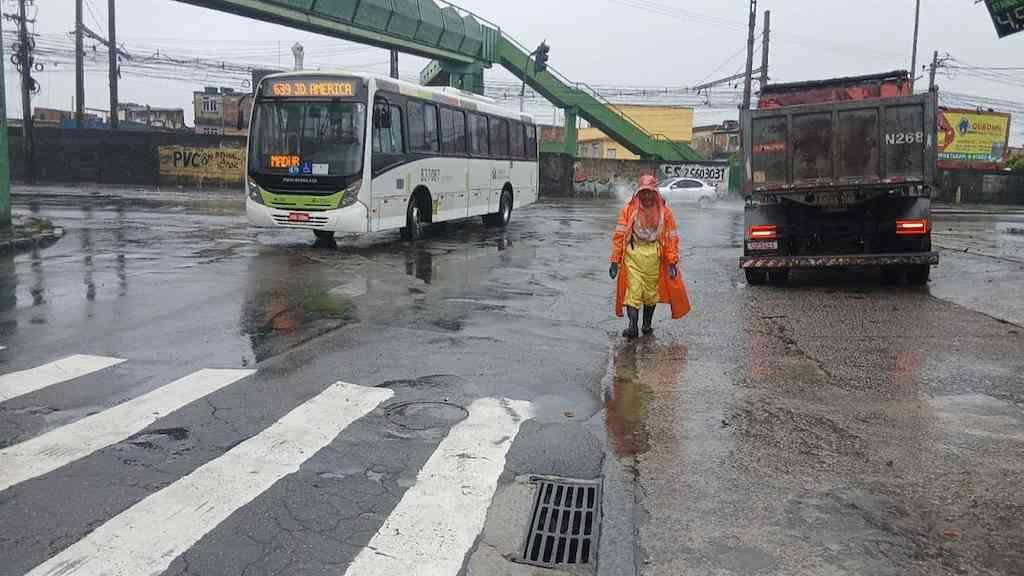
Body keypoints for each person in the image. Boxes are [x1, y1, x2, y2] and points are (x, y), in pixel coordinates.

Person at [609, 175, 691, 339]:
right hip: (634, 254)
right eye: (643, 193)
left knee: (650, 293)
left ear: (655, 193)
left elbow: (671, 238)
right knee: (633, 290)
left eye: (649, 193)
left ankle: (646, 325)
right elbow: (619, 236)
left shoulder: (665, 213)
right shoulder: (629, 210)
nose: (647, 197)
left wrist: (672, 261)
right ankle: (633, 326)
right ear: (638, 193)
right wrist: (615, 261)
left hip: (654, 256)